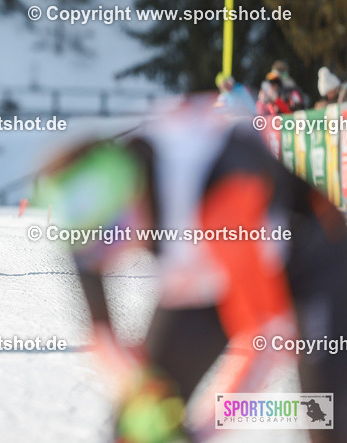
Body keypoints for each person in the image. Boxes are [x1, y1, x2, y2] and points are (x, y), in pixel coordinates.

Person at [37, 99, 347, 443]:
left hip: (310, 264)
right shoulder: (92, 213)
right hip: (209, 270)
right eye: (94, 249)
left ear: (133, 195)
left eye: (114, 235)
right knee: (137, 425)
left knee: (326, 416)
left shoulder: (219, 200)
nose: (110, 255)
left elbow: (268, 341)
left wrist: (200, 432)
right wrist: (142, 389)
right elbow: (100, 330)